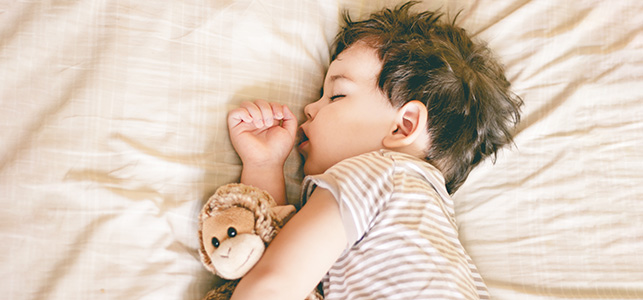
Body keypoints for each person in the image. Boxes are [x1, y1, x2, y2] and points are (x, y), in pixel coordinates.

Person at [225, 1, 522, 299]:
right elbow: (278, 257)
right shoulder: (427, 228)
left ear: (403, 126)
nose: (309, 109)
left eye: (336, 96)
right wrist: (264, 165)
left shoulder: (376, 174)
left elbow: (273, 284)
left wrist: (263, 166)